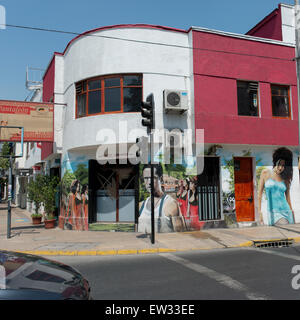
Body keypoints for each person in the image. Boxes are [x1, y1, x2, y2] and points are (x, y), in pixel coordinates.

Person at [138, 164, 185, 233]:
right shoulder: (141, 206)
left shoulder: (170, 204)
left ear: (161, 179)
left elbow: (180, 234)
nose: (149, 182)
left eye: (153, 178)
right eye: (146, 178)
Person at [258, 147, 294, 226]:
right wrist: (259, 212)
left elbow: (288, 199)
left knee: (286, 235)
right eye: (279, 164)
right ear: (275, 161)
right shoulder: (265, 173)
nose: (281, 167)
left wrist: (292, 214)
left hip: (287, 211)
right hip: (273, 212)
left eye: (283, 165)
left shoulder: (285, 179)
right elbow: (259, 195)